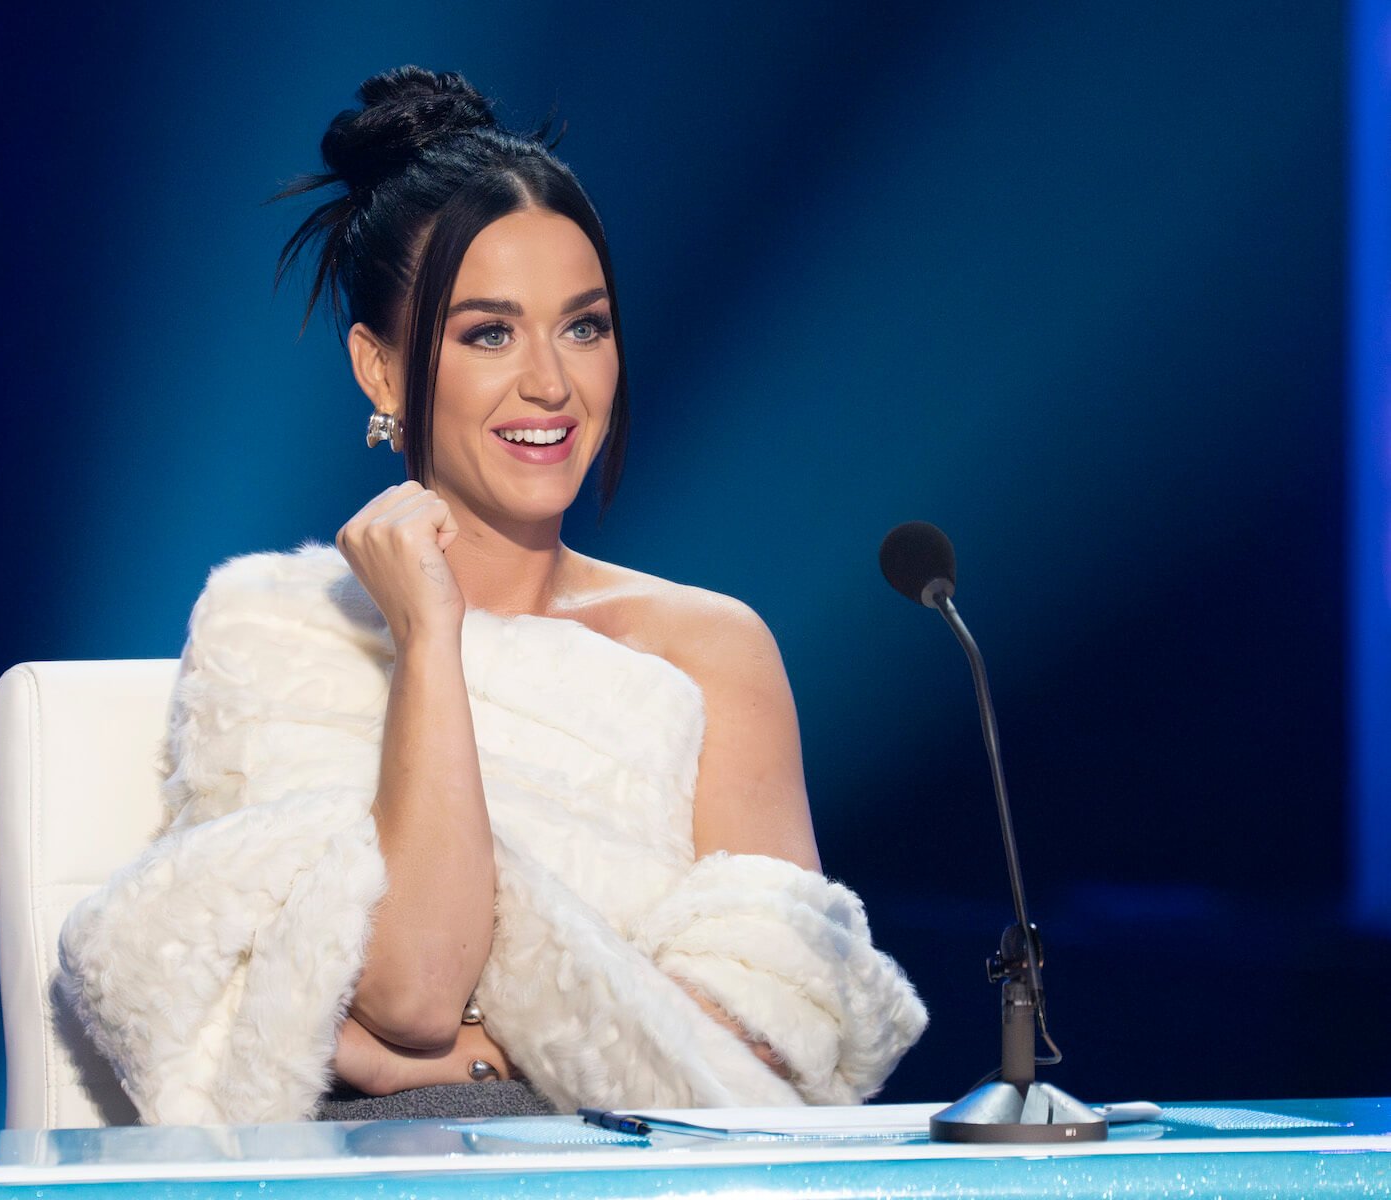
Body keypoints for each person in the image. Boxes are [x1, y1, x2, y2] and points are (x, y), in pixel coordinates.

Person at [57, 66, 928, 1126]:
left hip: (658, 1173)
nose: (551, 384)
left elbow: (769, 1034)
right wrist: (430, 641)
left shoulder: (709, 650)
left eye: (584, 326)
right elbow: (415, 990)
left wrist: (477, 1056)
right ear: (381, 372)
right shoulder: (278, 631)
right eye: (488, 333)